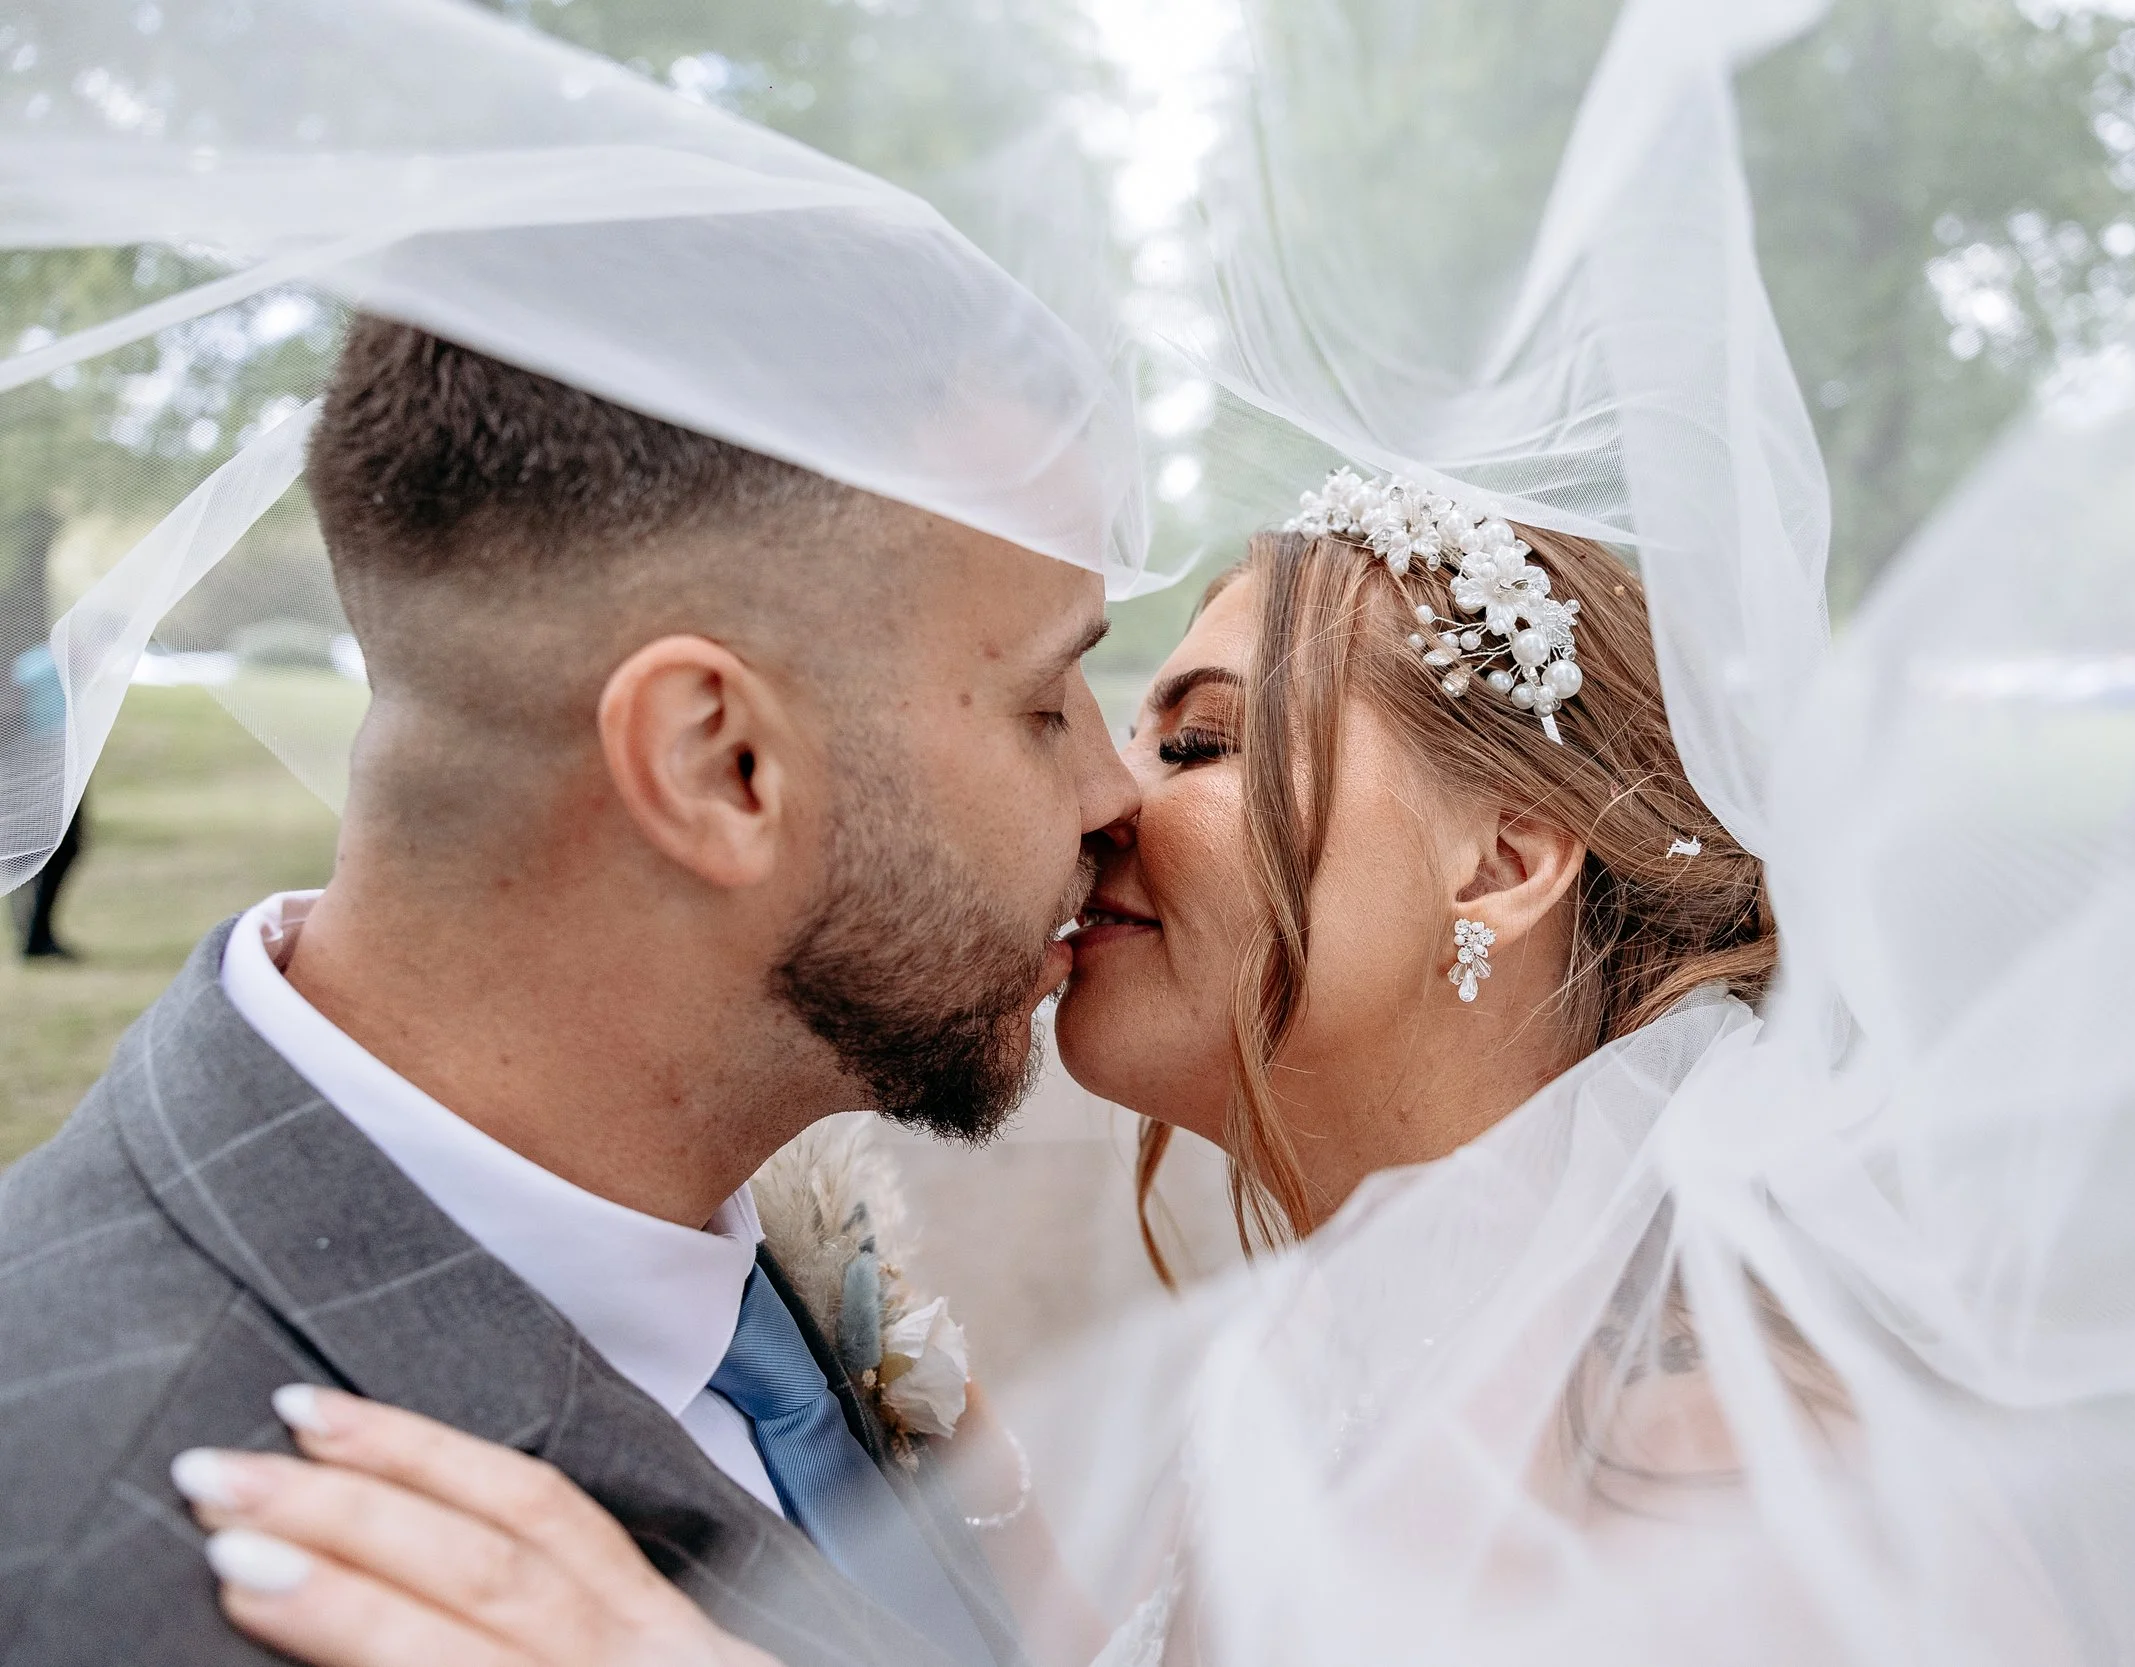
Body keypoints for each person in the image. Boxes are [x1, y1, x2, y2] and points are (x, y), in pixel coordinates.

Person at [151, 475, 1800, 1667]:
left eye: (1201, 741)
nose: (1104, 804)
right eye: (1108, 724)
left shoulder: (1726, 1476)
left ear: (1505, 860)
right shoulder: (1294, 1365)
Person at [0, 316, 1136, 1667]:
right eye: (1043, 701)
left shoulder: (707, 1183)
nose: (1115, 791)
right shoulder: (101, 1562)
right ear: (721, 763)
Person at [8, 642, 82, 961]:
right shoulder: (37, 666)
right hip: (43, 765)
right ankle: (35, 938)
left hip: (65, 763)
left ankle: (36, 934)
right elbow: (14, 713)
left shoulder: (74, 666)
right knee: (50, 850)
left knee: (60, 850)